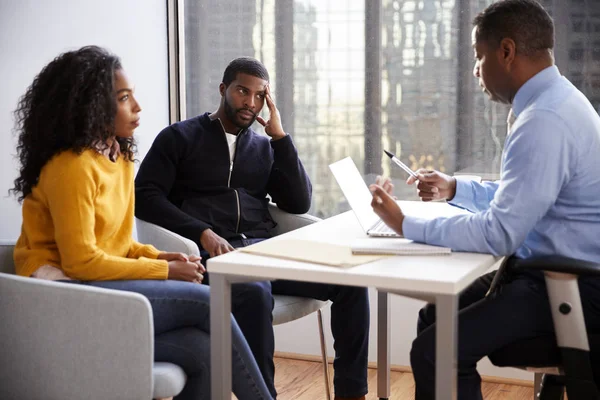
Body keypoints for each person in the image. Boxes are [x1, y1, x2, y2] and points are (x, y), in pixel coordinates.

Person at [11, 46, 272, 400]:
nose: (137, 106)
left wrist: (163, 257)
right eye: (123, 98)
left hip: (94, 282)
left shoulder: (117, 158)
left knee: (202, 349)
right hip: (59, 294)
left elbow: (117, 244)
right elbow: (79, 261)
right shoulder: (71, 166)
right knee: (206, 301)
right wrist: (163, 272)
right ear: (92, 106)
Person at [368, 0, 600, 399]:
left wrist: (404, 223)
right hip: (556, 275)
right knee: (433, 317)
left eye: (479, 57)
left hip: (572, 290)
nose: (475, 70)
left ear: (506, 51)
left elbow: (500, 233)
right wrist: (456, 189)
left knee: (433, 352)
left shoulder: (544, 121)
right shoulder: (558, 102)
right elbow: (526, 195)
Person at [135, 56, 369, 400]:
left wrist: (280, 138)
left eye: (259, 95)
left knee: (349, 279)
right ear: (223, 89)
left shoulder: (263, 147)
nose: (250, 102)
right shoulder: (179, 137)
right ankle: (263, 395)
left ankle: (352, 393)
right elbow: (144, 196)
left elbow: (298, 202)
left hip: (263, 249)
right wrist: (201, 231)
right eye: (242, 91)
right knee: (255, 289)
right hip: (206, 256)